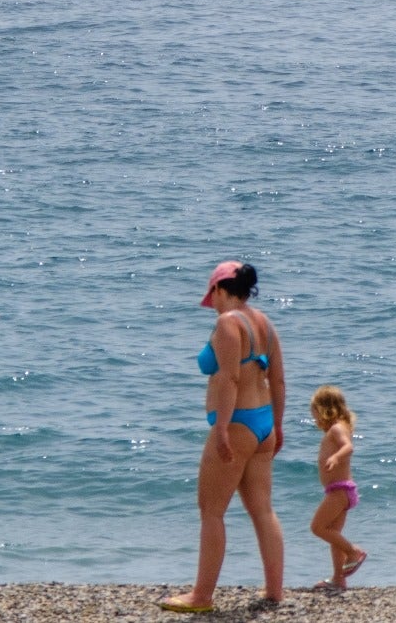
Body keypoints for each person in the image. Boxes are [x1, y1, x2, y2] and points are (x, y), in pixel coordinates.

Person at [161, 261, 286, 613]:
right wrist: (277, 426)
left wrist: (220, 431)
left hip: (237, 423)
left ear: (219, 289)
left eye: (212, 293)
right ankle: (275, 591)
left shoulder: (228, 323)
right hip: (262, 423)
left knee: (211, 511)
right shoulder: (265, 323)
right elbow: (277, 380)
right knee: (262, 509)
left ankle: (201, 596)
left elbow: (229, 379)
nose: (211, 302)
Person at [308, 384, 367, 590]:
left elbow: (348, 447)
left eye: (314, 413)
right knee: (334, 534)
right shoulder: (338, 428)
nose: (314, 419)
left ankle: (353, 552)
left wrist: (335, 456)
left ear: (326, 410)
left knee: (318, 527)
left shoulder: (337, 428)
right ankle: (338, 579)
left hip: (339, 490)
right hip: (341, 490)